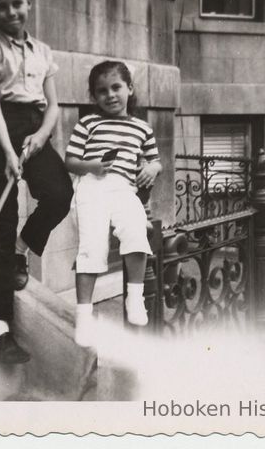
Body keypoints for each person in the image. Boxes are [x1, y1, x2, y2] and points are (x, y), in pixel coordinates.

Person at [0, 0, 73, 362]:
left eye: (19, 3)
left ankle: (22, 248)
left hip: (34, 128)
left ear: (30, 2)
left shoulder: (43, 51)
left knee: (60, 194)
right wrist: (7, 153)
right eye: (3, 6)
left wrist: (43, 135)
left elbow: (53, 105)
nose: (12, 11)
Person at [65, 61, 162, 347]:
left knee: (135, 230)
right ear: (94, 97)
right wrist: (92, 165)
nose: (110, 95)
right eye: (102, 91)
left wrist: (153, 169)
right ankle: (84, 316)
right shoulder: (88, 123)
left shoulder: (142, 128)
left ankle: (135, 296)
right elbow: (69, 161)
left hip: (123, 187)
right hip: (92, 185)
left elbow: (156, 160)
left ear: (130, 89)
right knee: (92, 246)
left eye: (116, 87)